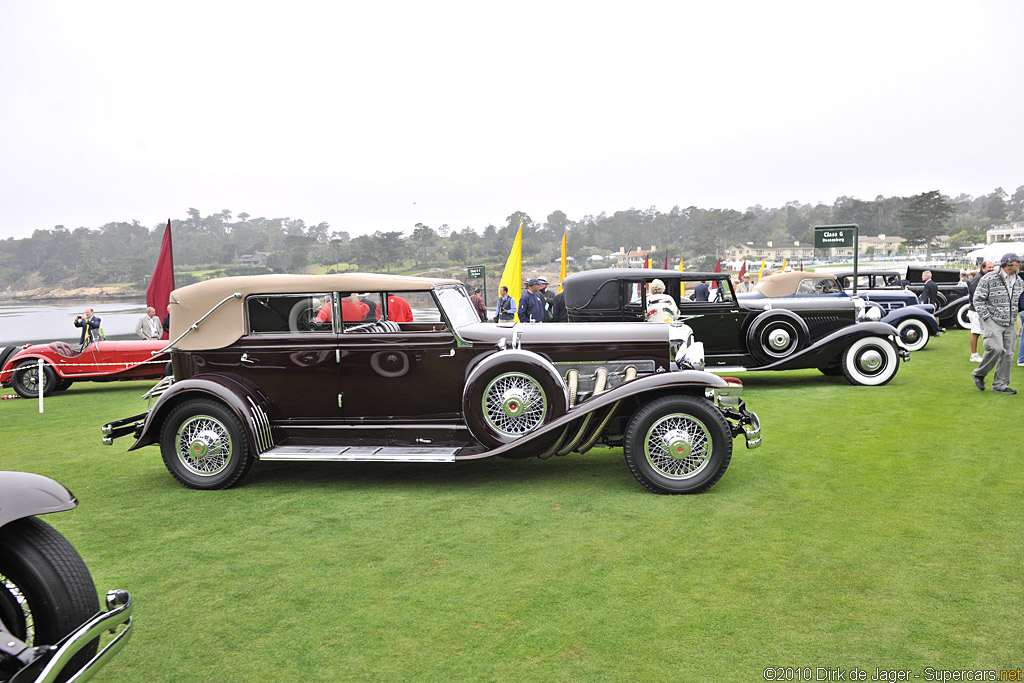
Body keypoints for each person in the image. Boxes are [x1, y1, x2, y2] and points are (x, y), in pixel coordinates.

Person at [972, 253, 1023, 394]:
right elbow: (978, 299)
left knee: (1008, 354)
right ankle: (979, 373)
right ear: (1008, 263)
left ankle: (1000, 385)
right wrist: (986, 318)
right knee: (996, 348)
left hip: (1010, 321)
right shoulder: (989, 278)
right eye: (1017, 262)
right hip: (992, 320)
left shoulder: (1019, 281)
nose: (1020, 264)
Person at [968, 261, 994, 361]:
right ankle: (974, 355)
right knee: (976, 332)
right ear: (983, 268)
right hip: (975, 311)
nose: (991, 269)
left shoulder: (984, 278)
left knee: (984, 332)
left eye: (992, 267)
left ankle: (988, 354)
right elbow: (976, 297)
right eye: (989, 267)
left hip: (981, 310)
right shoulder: (978, 279)